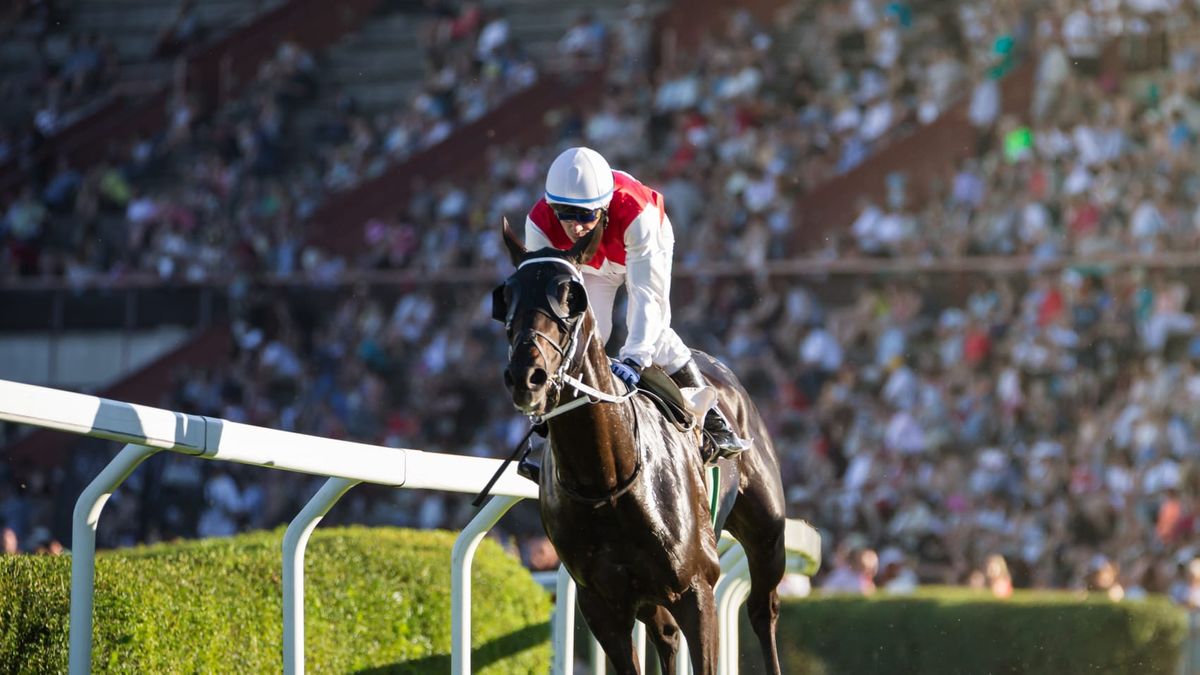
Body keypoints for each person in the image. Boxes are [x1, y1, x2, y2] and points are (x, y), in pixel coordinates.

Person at [523, 146, 747, 459]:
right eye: (564, 213)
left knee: (654, 337)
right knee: (579, 335)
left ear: (603, 208)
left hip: (640, 249)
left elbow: (647, 297)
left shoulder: (636, 214)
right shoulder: (539, 225)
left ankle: (713, 421)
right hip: (590, 264)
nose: (574, 226)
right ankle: (551, 432)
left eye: (585, 215)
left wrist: (634, 360)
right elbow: (552, 306)